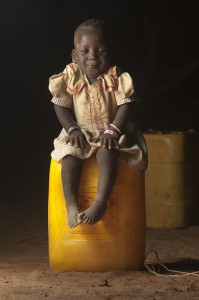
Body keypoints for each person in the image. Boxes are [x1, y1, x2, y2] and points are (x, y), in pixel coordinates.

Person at [49, 18, 148, 228]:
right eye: (84, 51)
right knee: (70, 156)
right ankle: (72, 205)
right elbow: (60, 104)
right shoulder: (70, 75)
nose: (92, 56)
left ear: (110, 53)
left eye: (100, 51)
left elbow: (126, 104)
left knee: (107, 152)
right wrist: (72, 128)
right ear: (75, 56)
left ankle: (100, 203)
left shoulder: (117, 77)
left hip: (111, 131)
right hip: (81, 132)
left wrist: (113, 130)